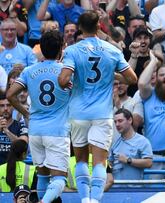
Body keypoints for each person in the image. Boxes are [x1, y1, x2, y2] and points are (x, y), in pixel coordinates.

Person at [58, 11, 137, 203]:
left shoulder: (72, 51)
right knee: (100, 161)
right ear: (99, 26)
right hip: (102, 113)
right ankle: (95, 199)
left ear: (80, 28)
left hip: (78, 113)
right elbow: (132, 79)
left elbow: (63, 80)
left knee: (81, 160)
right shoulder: (112, 50)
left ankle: (84, 198)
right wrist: (110, 75)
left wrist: (71, 81)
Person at [7, 30, 71, 203]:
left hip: (35, 130)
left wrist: (26, 113)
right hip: (57, 131)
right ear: (61, 50)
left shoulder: (29, 71)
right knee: (59, 178)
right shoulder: (65, 73)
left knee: (43, 176)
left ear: (42, 49)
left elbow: (11, 94)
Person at [138, 51, 165, 179]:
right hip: (153, 156)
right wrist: (153, 62)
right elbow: (142, 83)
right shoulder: (149, 94)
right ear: (156, 77)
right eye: (161, 75)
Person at [108, 109, 153, 181]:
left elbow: (149, 163)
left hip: (135, 189)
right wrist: (109, 173)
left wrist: (128, 160)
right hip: (116, 188)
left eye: (120, 121)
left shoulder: (142, 141)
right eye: (115, 122)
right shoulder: (114, 142)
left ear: (130, 120)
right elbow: (109, 163)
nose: (117, 124)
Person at [0, 97, 28, 165]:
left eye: (9, 105)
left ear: (13, 107)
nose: (6, 108)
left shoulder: (20, 125)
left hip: (13, 168)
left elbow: (23, 147)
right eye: (2, 106)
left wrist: (7, 131)